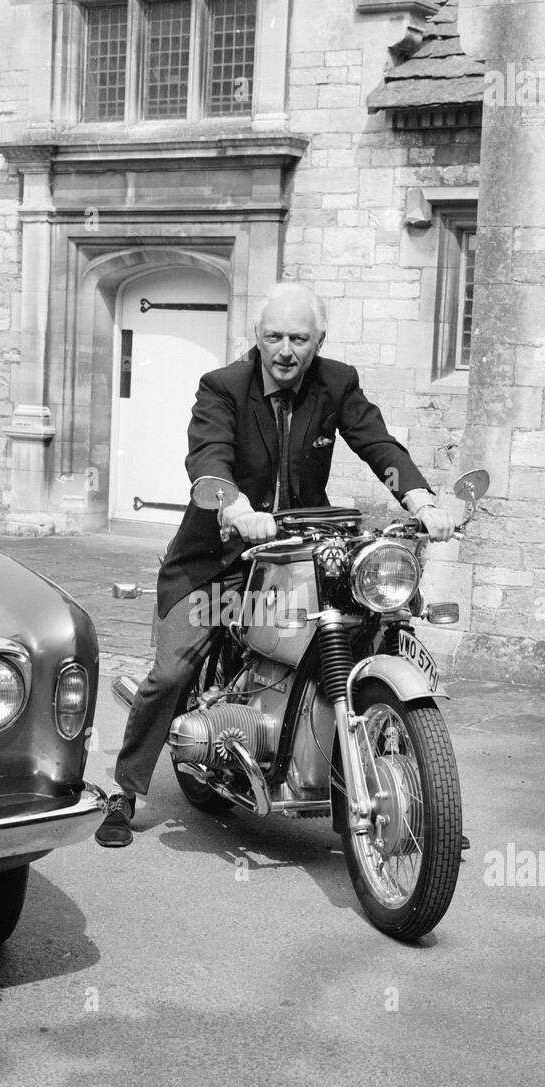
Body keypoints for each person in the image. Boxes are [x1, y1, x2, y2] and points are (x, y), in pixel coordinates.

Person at [96, 283, 454, 847]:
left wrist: (422, 502)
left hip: (300, 553)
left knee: (355, 638)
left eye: (299, 338)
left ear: (319, 342)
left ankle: (419, 802)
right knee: (171, 673)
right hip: (217, 561)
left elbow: (380, 446)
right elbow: (208, 455)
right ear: (256, 339)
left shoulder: (337, 384)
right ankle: (127, 789)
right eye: (275, 337)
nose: (286, 350)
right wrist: (236, 506)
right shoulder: (223, 388)